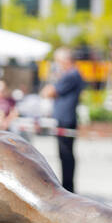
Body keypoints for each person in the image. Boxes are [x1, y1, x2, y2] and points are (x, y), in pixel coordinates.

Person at [42, 47, 83, 192]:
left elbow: (49, 92)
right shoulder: (72, 75)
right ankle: (67, 185)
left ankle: (68, 186)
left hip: (66, 119)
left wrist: (54, 77)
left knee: (66, 154)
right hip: (65, 118)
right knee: (64, 154)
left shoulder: (71, 75)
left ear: (66, 61)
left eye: (58, 61)